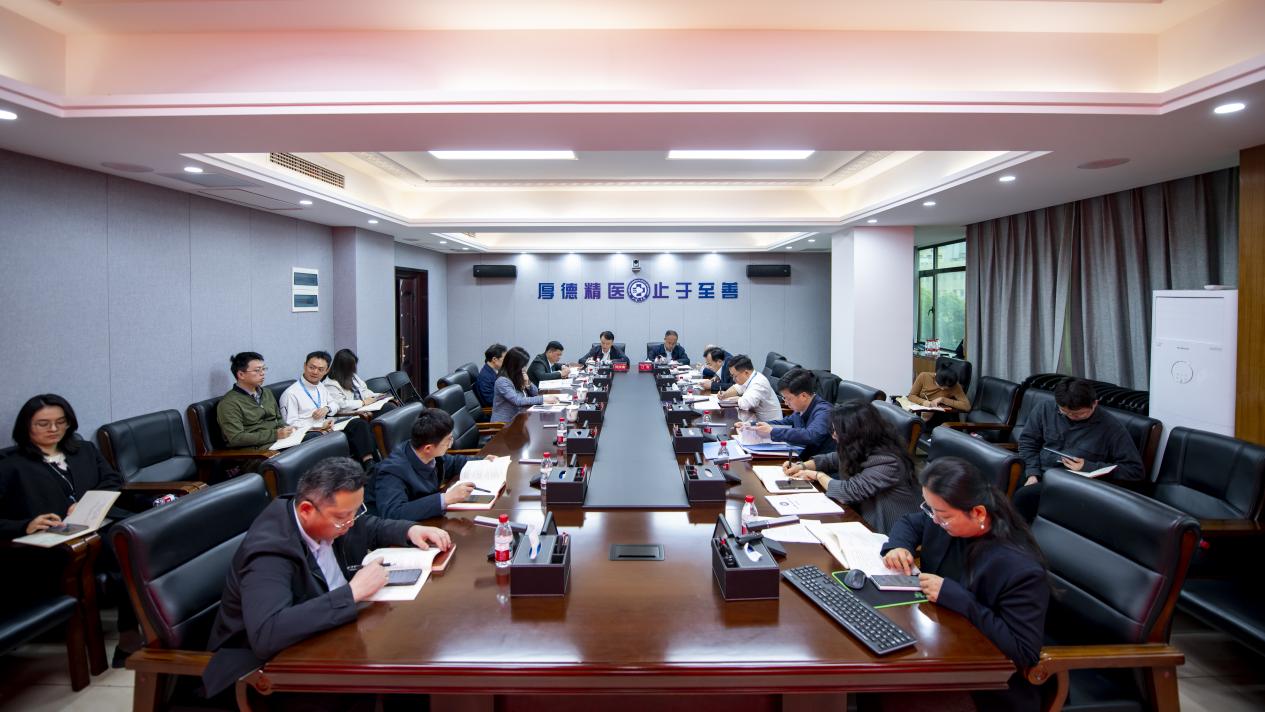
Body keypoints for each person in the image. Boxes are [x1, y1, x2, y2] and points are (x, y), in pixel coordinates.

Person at [202, 456, 452, 700]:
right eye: (343, 518)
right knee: (399, 671)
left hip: (328, 631)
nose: (350, 523)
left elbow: (367, 526)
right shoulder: (269, 552)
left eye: (355, 512)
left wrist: (409, 529)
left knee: (412, 651)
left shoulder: (329, 516)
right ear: (306, 510)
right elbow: (267, 634)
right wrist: (352, 593)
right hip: (269, 672)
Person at [881, 458, 1048, 712]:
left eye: (943, 515)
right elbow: (911, 522)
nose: (934, 520)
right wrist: (898, 546)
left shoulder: (1019, 567)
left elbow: (1023, 651)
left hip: (990, 681)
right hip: (942, 641)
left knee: (887, 688)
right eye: (930, 509)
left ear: (978, 513)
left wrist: (958, 597)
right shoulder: (947, 521)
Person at [0, 394, 139, 667]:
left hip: (97, 526)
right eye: (43, 424)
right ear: (26, 426)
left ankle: (145, 630)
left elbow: (112, 480)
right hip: (56, 544)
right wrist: (25, 524)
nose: (54, 429)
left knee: (137, 537)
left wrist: (89, 502)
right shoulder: (10, 465)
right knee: (126, 550)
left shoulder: (83, 450)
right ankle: (130, 636)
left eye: (60, 422)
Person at [1012, 377, 1143, 522]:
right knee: (1000, 484)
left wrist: (1088, 467)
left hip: (1072, 484)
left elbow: (1134, 470)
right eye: (1064, 412)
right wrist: (1032, 473)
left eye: (1079, 414)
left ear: (1095, 403)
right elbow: (1028, 442)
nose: (1072, 417)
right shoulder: (1045, 408)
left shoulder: (1112, 428)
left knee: (1024, 497)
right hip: (1038, 470)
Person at [782, 402, 921, 534]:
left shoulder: (888, 462)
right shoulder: (863, 445)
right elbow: (832, 459)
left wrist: (818, 475)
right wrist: (801, 466)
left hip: (884, 531)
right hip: (858, 514)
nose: (833, 434)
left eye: (837, 430)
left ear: (855, 431)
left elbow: (847, 493)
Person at [376, 408, 497, 521]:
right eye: (448, 440)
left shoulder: (428, 452)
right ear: (428, 448)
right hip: (406, 530)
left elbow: (453, 463)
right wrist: (445, 498)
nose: (450, 444)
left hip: (428, 520)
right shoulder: (391, 472)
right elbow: (393, 513)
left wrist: (482, 461)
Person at [279, 351, 379, 467]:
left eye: (320, 369)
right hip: (309, 434)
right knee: (331, 438)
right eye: (312, 367)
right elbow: (290, 425)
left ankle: (370, 464)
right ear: (305, 366)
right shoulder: (291, 394)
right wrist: (319, 426)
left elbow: (335, 404)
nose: (315, 372)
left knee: (359, 424)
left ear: (326, 371)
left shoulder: (320, 386)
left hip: (328, 427)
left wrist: (327, 408)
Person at [739, 367, 833, 458]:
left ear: (803, 396)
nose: (786, 403)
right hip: (800, 458)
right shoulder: (801, 409)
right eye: (784, 398)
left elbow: (811, 435)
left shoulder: (824, 411)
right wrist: (753, 425)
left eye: (788, 399)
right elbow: (784, 423)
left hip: (818, 464)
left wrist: (772, 431)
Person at [217, 351, 295, 449]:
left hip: (279, 441)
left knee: (310, 439)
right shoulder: (229, 403)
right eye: (257, 370)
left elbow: (278, 419)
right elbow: (236, 438)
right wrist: (275, 435)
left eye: (264, 369)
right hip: (258, 450)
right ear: (241, 374)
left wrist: (287, 428)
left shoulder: (266, 392)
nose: (262, 373)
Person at [491, 346, 558, 423]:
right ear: (514, 365)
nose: (525, 368)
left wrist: (528, 383)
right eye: (522, 365)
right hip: (504, 423)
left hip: (520, 418)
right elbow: (517, 400)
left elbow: (536, 393)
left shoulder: (517, 375)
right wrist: (543, 399)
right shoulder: (502, 381)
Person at [324, 348, 397, 417]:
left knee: (390, 406)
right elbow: (340, 404)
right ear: (343, 367)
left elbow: (363, 390)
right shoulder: (330, 384)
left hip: (364, 409)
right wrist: (362, 402)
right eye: (351, 367)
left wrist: (377, 396)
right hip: (350, 414)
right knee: (389, 409)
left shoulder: (351, 375)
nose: (354, 369)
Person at [905, 364, 971, 430]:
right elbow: (911, 396)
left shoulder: (955, 386)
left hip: (940, 414)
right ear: (935, 378)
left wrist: (943, 399)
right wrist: (923, 402)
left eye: (946, 388)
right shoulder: (924, 376)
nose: (942, 389)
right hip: (922, 410)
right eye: (940, 386)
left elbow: (967, 406)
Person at [718, 354, 782, 422]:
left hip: (771, 424)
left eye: (735, 376)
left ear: (746, 372)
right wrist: (725, 394)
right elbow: (737, 388)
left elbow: (746, 404)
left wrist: (737, 399)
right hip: (757, 420)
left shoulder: (759, 383)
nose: (733, 379)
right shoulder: (750, 378)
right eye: (732, 376)